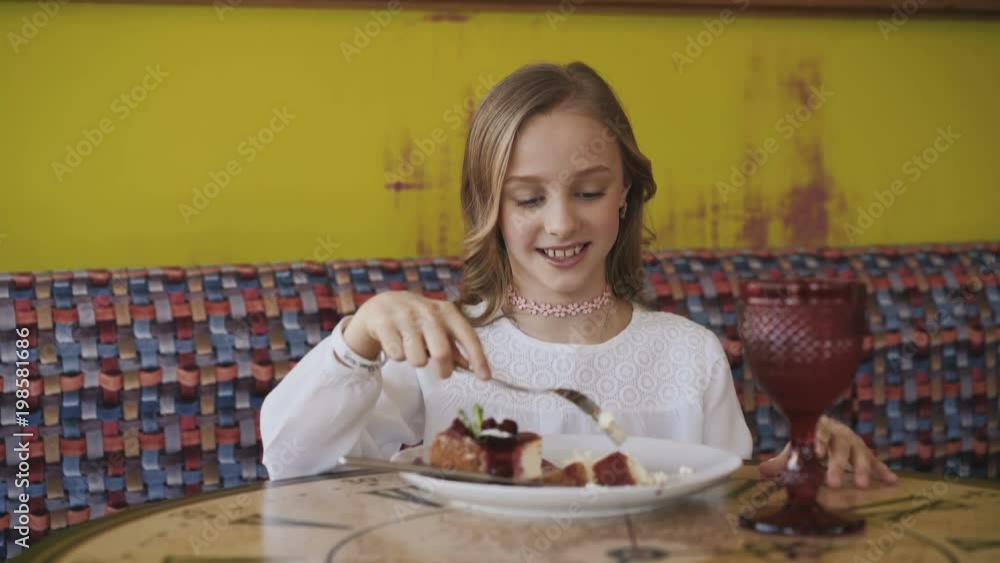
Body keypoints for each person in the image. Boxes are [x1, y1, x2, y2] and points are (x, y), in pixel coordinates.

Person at [260, 61, 896, 489]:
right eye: (529, 199)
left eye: (589, 191)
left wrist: (801, 460)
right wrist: (361, 336)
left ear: (625, 193)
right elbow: (290, 461)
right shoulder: (436, 348)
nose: (561, 223)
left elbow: (719, 502)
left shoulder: (688, 355)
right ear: (491, 207)